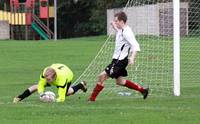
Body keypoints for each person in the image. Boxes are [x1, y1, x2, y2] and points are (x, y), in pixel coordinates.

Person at [88, 11, 149, 102]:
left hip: (119, 61)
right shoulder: (122, 30)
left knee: (102, 76)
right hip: (119, 60)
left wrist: (132, 58)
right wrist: (114, 26)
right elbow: (120, 33)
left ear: (121, 21)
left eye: (116, 21)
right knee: (120, 81)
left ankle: (92, 99)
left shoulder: (127, 32)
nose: (115, 22)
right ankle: (143, 90)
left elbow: (135, 45)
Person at [13, 63, 87, 103]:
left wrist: (52, 100)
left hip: (68, 74)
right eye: (45, 78)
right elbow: (41, 85)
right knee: (36, 86)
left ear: (54, 78)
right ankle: (19, 97)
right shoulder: (45, 73)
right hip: (57, 66)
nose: (46, 80)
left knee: (66, 93)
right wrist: (41, 94)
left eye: (47, 79)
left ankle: (80, 85)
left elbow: (61, 99)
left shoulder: (62, 80)